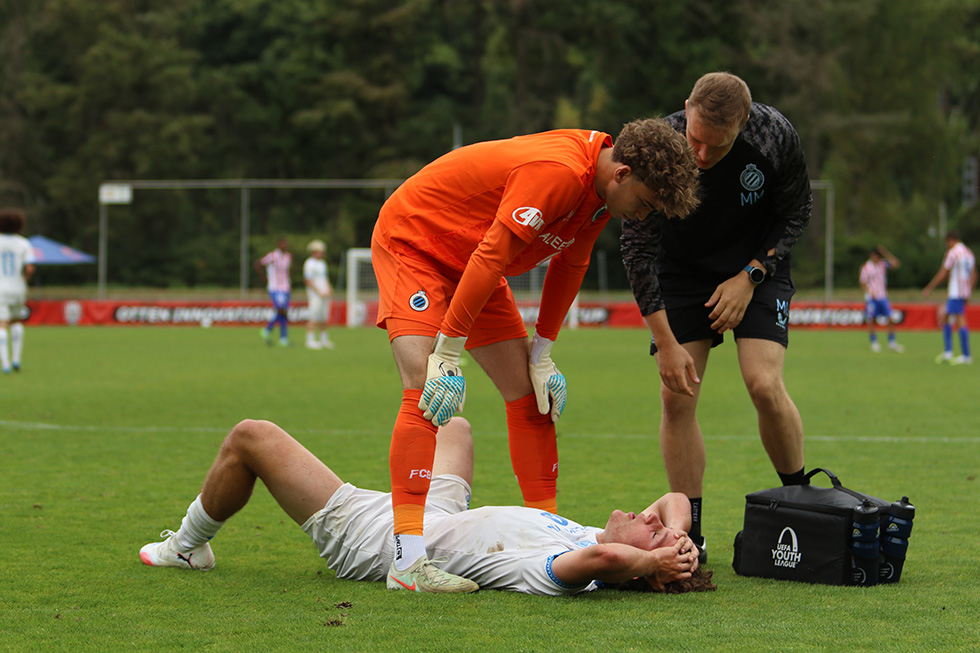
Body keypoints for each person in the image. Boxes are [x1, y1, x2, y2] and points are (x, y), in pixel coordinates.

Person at [371, 118, 701, 591]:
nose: (644, 216)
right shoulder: (560, 172)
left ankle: (548, 537)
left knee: (531, 395)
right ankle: (407, 564)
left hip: (473, 263)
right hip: (416, 245)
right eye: (646, 204)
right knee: (429, 387)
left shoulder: (600, 194)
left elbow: (571, 264)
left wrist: (542, 351)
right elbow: (492, 255)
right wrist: (447, 350)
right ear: (622, 173)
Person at [139, 417, 712, 595]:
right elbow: (675, 499)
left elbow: (609, 564)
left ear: (637, 564)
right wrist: (677, 543)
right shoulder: (596, 535)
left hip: (377, 537)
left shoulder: (566, 570)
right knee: (455, 425)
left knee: (251, 437)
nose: (652, 518)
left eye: (654, 534)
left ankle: (187, 548)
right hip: (434, 513)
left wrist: (654, 566)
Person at [620, 72, 812, 561]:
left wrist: (751, 274)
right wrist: (665, 343)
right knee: (677, 395)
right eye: (696, 138)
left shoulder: (774, 135)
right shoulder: (663, 147)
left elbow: (797, 211)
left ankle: (800, 506)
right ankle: (694, 534)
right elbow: (637, 247)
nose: (701, 155)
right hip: (681, 273)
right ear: (686, 108)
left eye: (717, 145)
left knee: (763, 384)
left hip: (757, 264)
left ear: (743, 124)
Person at [923, 230, 976, 365]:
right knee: (945, 316)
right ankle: (948, 351)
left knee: (960, 320)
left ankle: (966, 355)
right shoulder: (968, 253)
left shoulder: (953, 252)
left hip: (956, 291)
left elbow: (944, 272)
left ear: (950, 240)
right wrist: (969, 291)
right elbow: (975, 274)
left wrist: (930, 287)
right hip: (964, 291)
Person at [0, 208, 35, 375]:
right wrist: (23, 282)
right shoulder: (24, 243)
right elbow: (29, 268)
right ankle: (16, 360)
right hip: (18, 287)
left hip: (0, 288)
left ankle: (5, 363)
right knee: (16, 321)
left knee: (1, 325)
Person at [859, 245, 904, 352]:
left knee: (890, 318)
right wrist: (869, 292)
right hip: (872, 298)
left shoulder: (882, 264)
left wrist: (886, 253)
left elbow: (896, 264)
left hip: (883, 296)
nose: (877, 258)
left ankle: (892, 342)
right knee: (871, 320)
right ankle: (874, 342)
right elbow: (863, 282)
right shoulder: (866, 267)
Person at [254, 237, 293, 347]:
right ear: (278, 245)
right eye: (283, 243)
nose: (285, 245)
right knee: (281, 310)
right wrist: (265, 279)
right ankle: (268, 329)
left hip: (286, 287)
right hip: (275, 287)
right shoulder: (273, 255)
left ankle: (283, 338)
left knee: (284, 312)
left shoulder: (288, 257)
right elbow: (258, 264)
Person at [303, 239, 335, 350]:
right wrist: (319, 292)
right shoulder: (309, 263)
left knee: (323, 317)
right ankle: (310, 340)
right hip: (315, 295)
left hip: (325, 294)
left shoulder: (322, 263)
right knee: (313, 317)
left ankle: (324, 339)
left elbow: (325, 278)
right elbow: (308, 280)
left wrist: (329, 289)